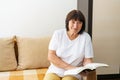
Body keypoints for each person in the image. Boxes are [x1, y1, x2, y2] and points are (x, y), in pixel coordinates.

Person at [43, 9, 94, 80]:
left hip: (74, 73)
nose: (75, 26)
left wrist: (88, 67)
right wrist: (71, 68)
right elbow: (51, 56)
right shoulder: (58, 34)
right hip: (55, 70)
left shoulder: (86, 37)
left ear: (82, 24)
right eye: (73, 22)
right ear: (67, 22)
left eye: (79, 23)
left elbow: (87, 59)